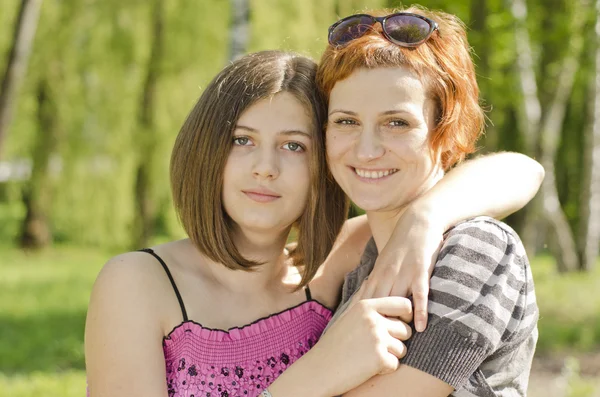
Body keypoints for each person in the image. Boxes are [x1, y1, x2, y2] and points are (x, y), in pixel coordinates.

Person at [85, 49, 542, 396]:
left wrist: (427, 216)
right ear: (205, 150)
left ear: (324, 161)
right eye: (242, 140)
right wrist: (320, 370)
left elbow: (524, 171)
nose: (265, 167)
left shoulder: (338, 263)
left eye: (293, 146)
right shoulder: (140, 283)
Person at [314, 6, 539, 396]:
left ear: (445, 132)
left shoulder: (476, 247)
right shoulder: (360, 263)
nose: (366, 151)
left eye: (396, 122)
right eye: (347, 121)